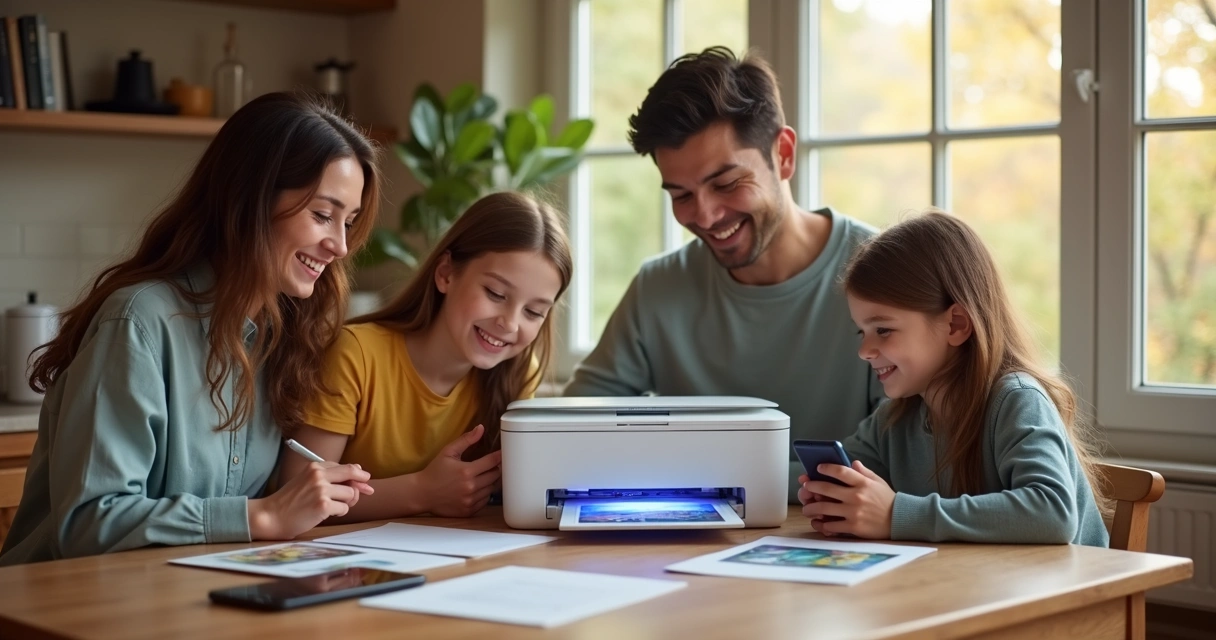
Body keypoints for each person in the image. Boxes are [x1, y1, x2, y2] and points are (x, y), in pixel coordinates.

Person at [0, 92, 381, 565]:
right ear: (249, 200)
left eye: (350, 221)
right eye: (323, 215)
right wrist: (258, 516)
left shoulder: (280, 339)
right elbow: (87, 522)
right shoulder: (137, 322)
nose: (341, 246)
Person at [563, 46, 884, 499]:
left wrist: (702, 474)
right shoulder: (658, 289)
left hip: (840, 538)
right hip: (687, 547)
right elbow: (572, 431)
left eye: (727, 183)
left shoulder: (883, 276)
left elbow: (903, 457)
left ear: (784, 155)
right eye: (680, 195)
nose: (707, 215)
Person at [798, 211, 1110, 546]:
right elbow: (846, 477)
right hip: (981, 589)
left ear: (956, 324)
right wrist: (824, 492)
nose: (865, 351)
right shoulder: (894, 419)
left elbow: (1053, 514)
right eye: (862, 332)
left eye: (883, 330)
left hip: (1068, 595)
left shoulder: (1017, 400)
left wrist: (894, 515)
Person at [280, 191, 572, 521]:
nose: (510, 323)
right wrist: (423, 491)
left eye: (534, 312)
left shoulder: (519, 373)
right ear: (446, 273)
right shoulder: (355, 355)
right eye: (495, 294)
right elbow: (297, 494)